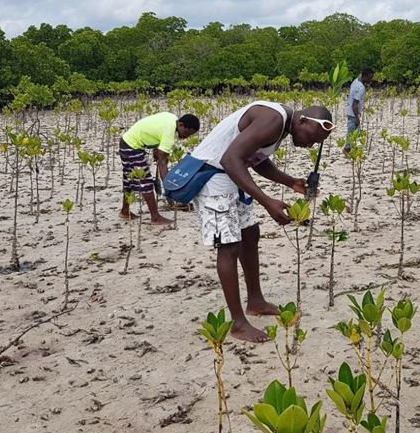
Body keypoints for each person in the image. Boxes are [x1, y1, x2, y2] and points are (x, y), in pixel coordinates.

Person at [190, 101, 334, 342]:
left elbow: (255, 158)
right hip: (212, 177)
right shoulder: (274, 119)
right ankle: (237, 324)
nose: (310, 145)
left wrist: (290, 182)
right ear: (302, 121)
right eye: (312, 137)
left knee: (250, 233)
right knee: (229, 247)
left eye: (316, 144)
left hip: (230, 177)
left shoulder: (283, 124)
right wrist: (267, 201)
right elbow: (231, 159)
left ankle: (255, 301)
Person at [119, 112, 199, 223]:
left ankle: (125, 210)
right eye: (186, 133)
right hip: (132, 147)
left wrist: (156, 149)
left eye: (190, 135)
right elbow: (163, 164)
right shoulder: (169, 135)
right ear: (180, 125)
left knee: (129, 180)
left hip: (126, 142)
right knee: (145, 181)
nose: (186, 137)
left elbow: (154, 129)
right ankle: (155, 217)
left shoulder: (172, 118)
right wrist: (170, 191)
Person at [343, 68, 374, 152]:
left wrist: (365, 85)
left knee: (354, 132)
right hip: (353, 113)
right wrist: (357, 118)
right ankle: (347, 149)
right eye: (370, 78)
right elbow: (355, 104)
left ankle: (350, 149)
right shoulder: (361, 88)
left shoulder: (356, 81)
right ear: (365, 76)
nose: (371, 80)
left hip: (350, 110)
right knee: (352, 132)